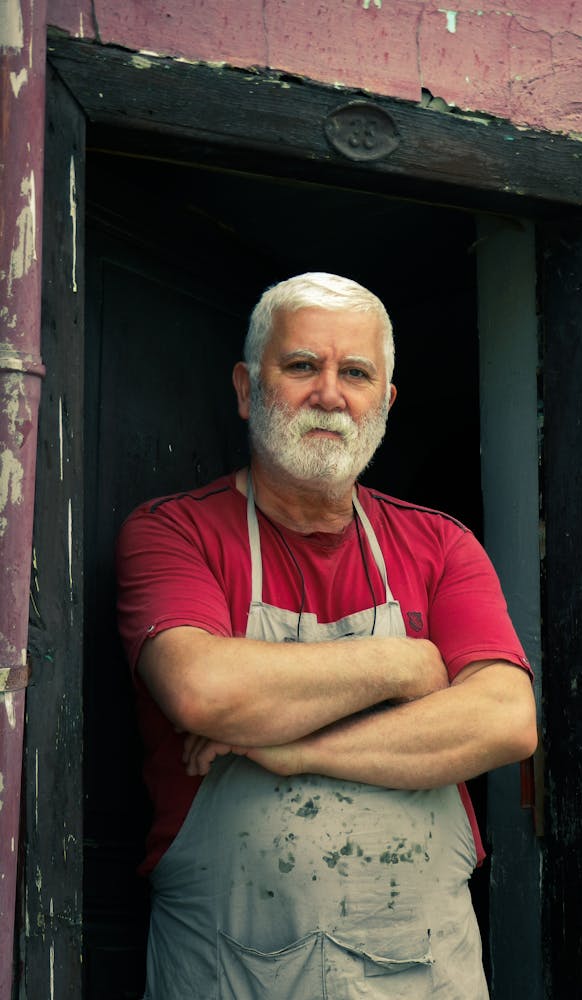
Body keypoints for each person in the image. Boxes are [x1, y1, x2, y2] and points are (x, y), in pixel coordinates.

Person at [116, 272, 537, 1000]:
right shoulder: (173, 531)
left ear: (386, 403)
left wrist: (291, 751)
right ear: (249, 389)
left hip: (426, 973)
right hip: (231, 971)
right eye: (303, 365)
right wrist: (403, 663)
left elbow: (504, 719)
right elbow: (203, 689)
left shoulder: (441, 546)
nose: (331, 394)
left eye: (356, 374)